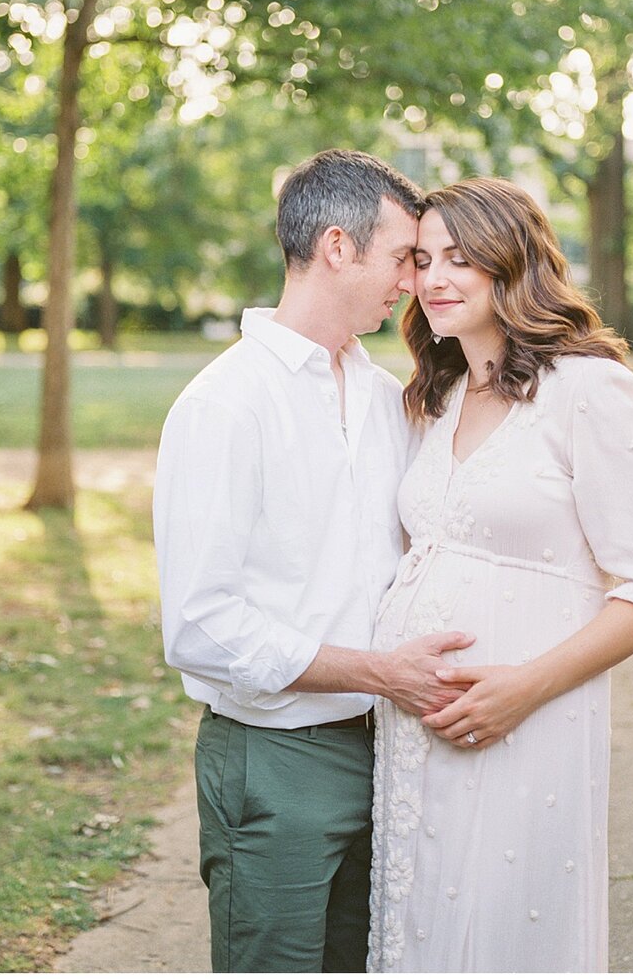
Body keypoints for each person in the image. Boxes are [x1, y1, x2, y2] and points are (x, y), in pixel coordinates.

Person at [153, 150, 474, 974]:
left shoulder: (380, 397)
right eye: (404, 255)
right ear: (339, 246)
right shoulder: (225, 405)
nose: (412, 279)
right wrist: (379, 672)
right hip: (275, 757)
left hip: (388, 748)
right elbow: (200, 626)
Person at [368, 177, 633, 974]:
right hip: (415, 732)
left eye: (460, 259)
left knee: (506, 926)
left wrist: (524, 686)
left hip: (528, 721)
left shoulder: (588, 387)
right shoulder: (440, 392)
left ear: (510, 264)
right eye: (421, 259)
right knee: (418, 928)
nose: (433, 279)